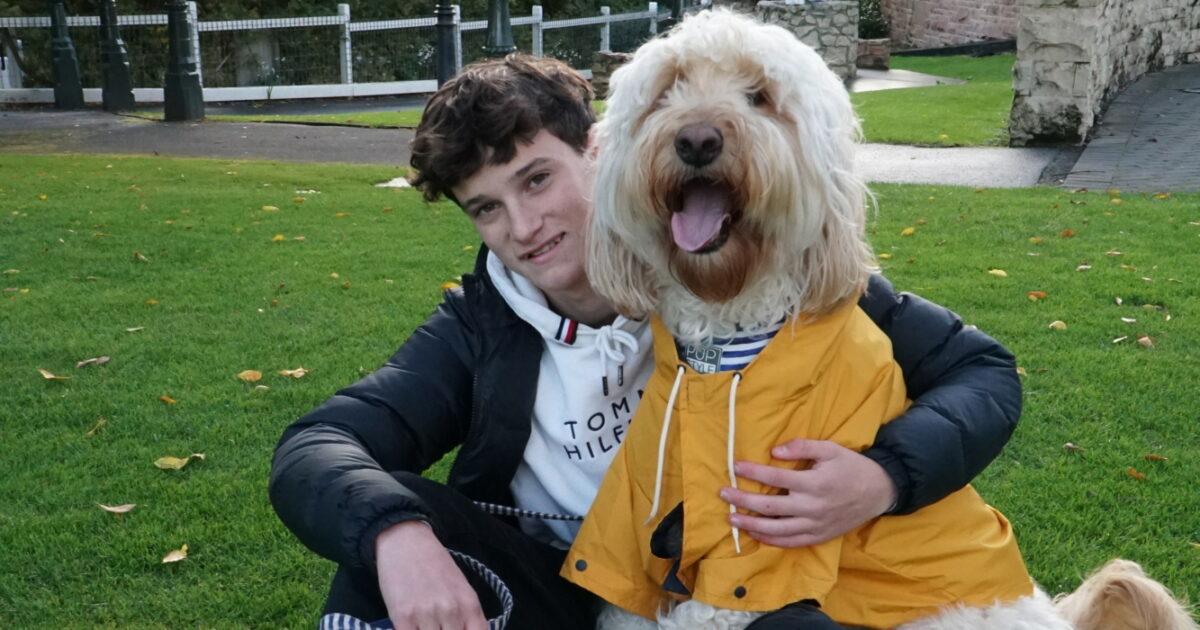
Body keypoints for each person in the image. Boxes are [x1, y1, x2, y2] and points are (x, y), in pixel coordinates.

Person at [268, 53, 1022, 630]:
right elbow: (320, 444)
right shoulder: (479, 326)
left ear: (603, 151)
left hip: (734, 579)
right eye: (486, 209)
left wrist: (884, 477)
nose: (523, 228)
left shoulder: (741, 269)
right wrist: (396, 535)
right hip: (557, 583)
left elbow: (981, 372)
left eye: (537, 180)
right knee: (381, 541)